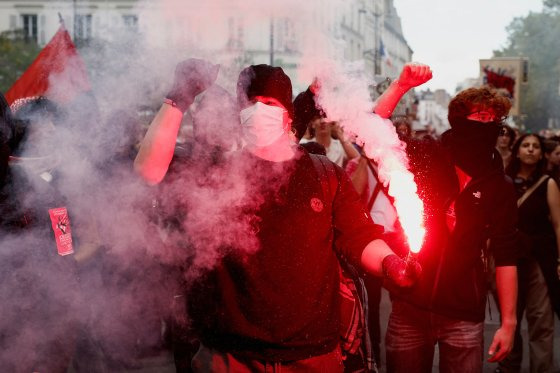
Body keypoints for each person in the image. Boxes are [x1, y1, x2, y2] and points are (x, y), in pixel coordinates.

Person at [134, 59, 423, 372]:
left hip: (312, 355)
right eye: (251, 103)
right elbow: (148, 171)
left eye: (269, 103)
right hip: (230, 356)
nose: (259, 111)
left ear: (287, 116)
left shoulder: (324, 175)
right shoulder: (213, 174)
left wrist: (390, 263)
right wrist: (180, 96)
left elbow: (360, 238)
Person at [385, 86, 521, 373]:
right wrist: (402, 84)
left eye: (492, 120)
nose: (486, 125)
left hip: (463, 312)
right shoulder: (428, 155)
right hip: (410, 304)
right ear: (459, 120)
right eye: (479, 116)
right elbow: (375, 127)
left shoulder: (500, 186)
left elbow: (506, 254)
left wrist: (509, 323)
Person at [497, 134, 560, 373]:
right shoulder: (504, 182)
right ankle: (508, 366)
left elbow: (558, 224)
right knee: (509, 317)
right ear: (517, 151)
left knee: (541, 319)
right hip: (508, 259)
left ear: (542, 153)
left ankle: (541, 368)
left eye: (535, 146)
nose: (531, 150)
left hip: (538, 260)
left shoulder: (548, 183)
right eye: (526, 145)